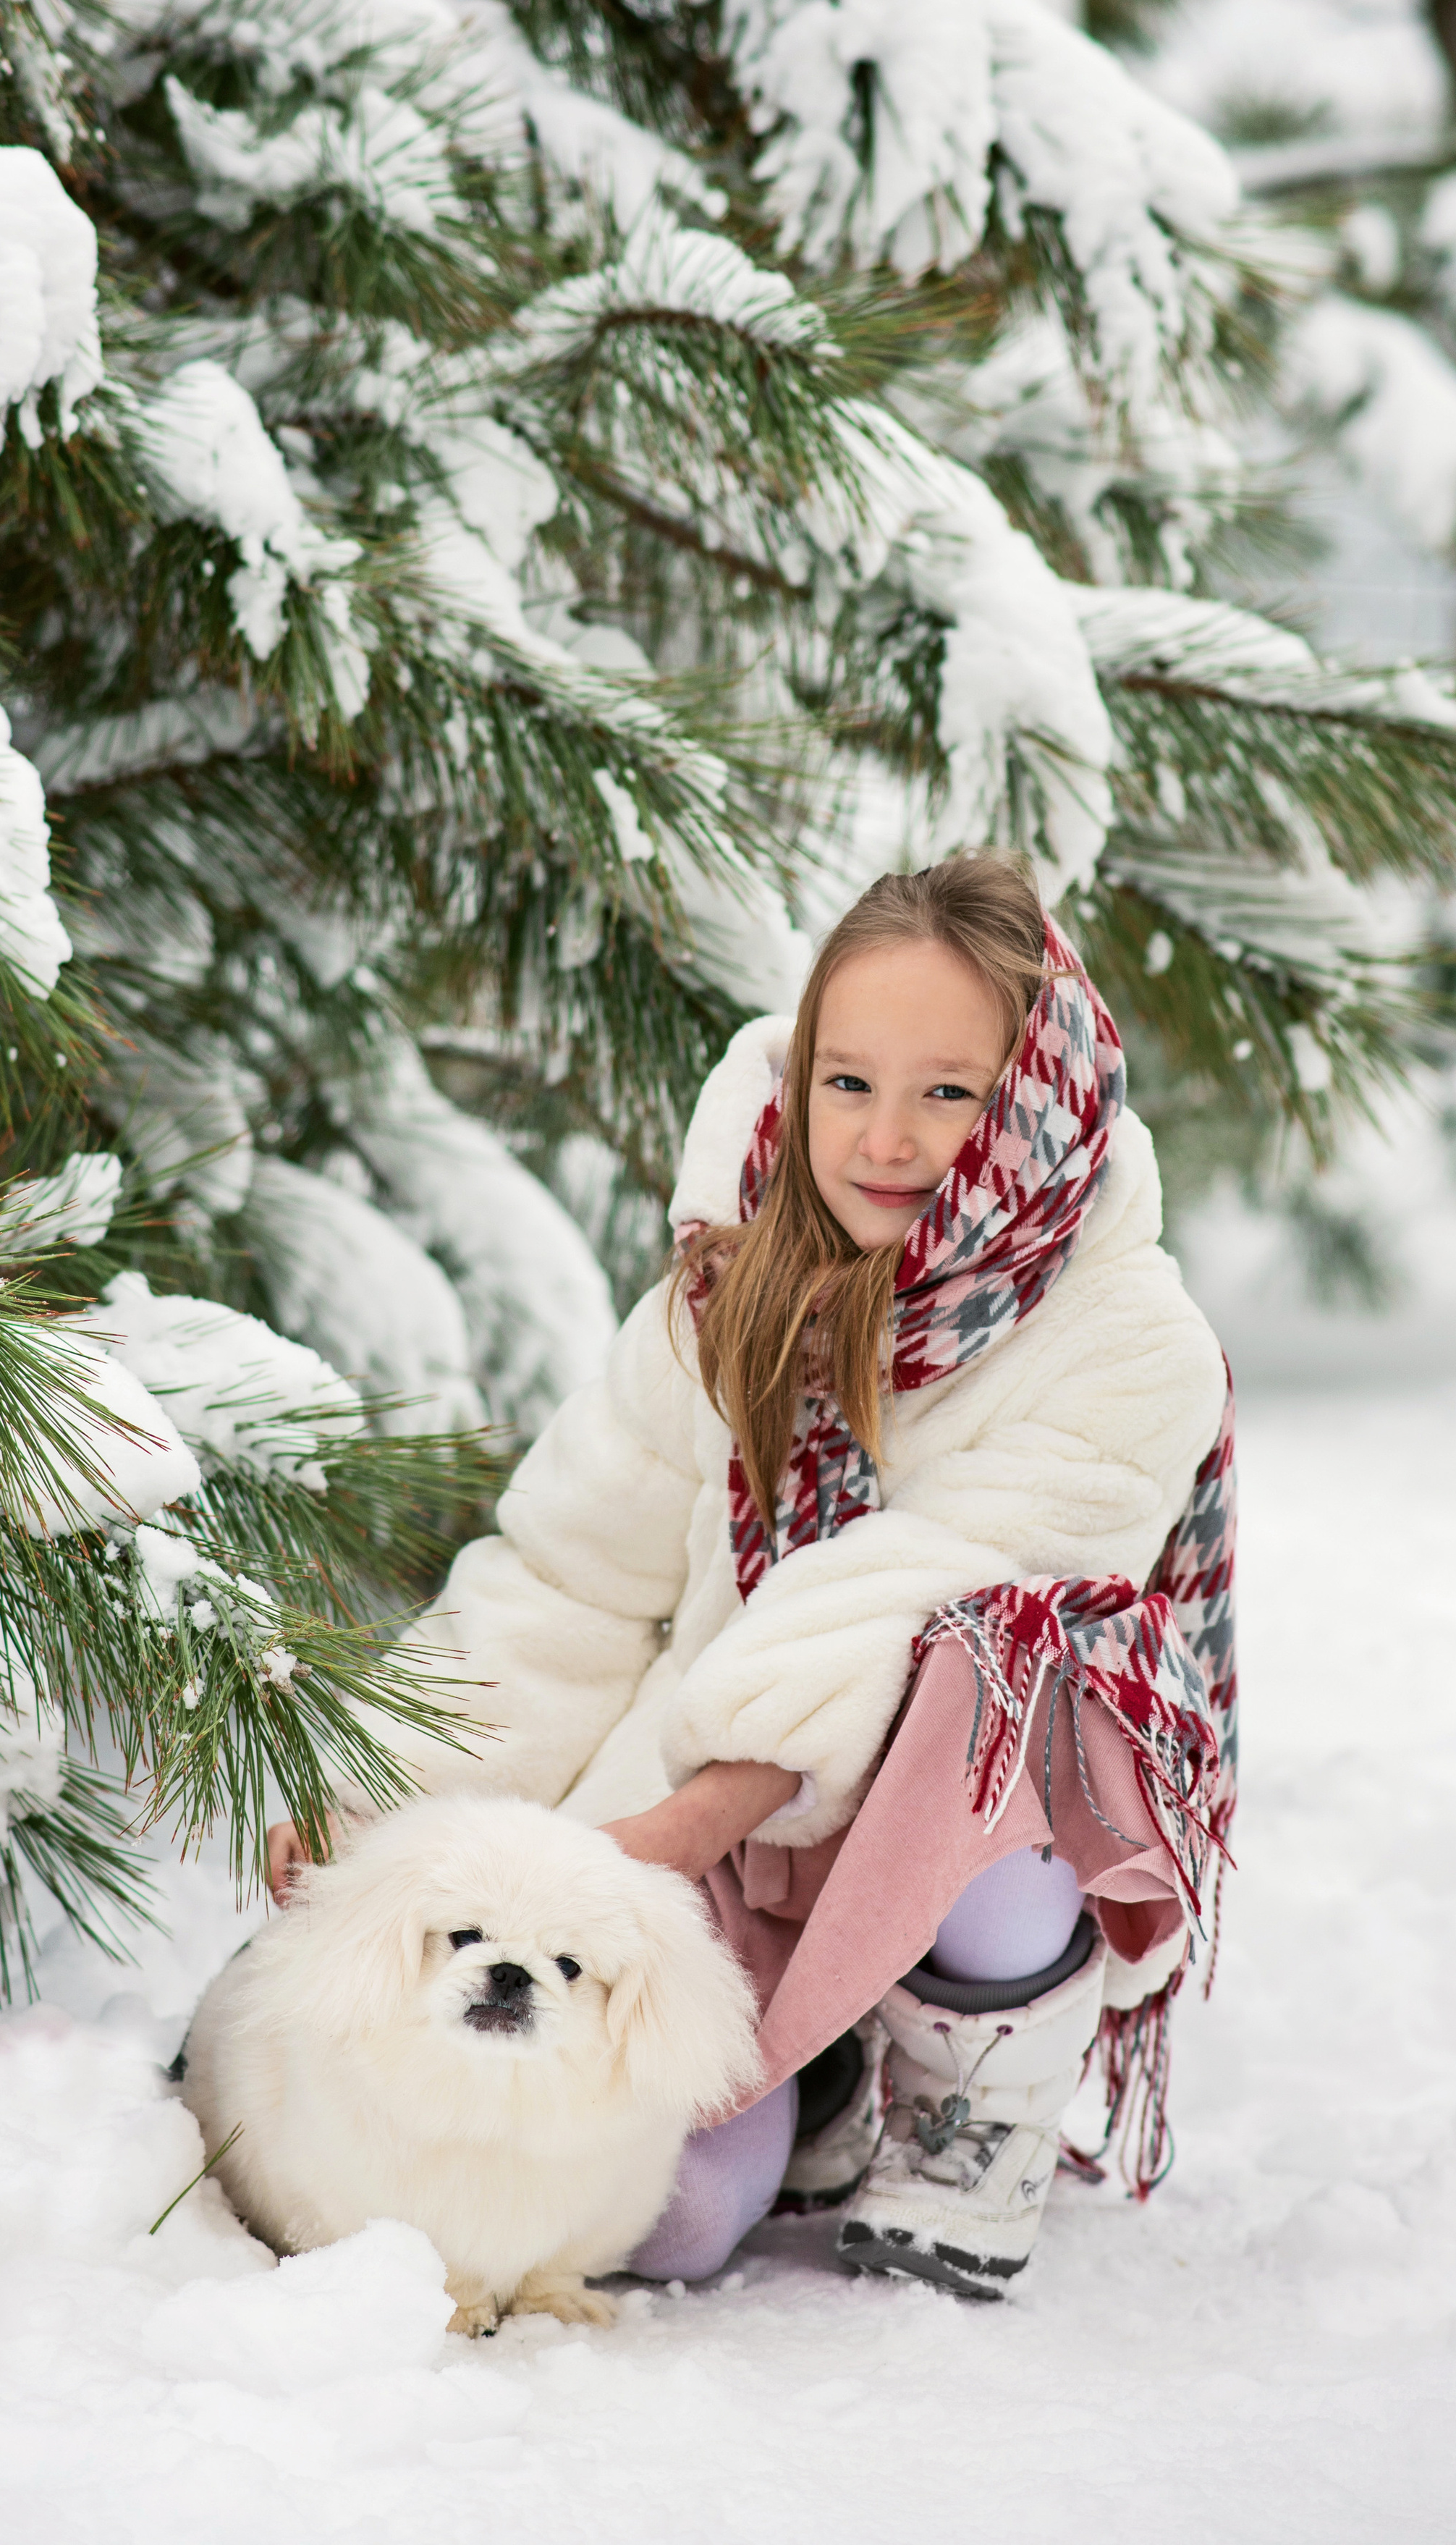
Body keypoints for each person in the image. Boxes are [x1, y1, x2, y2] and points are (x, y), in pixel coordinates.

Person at [268, 852, 1235, 2299]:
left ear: (1031, 1100)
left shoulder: (1126, 1341)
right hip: (723, 1821)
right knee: (660, 2221)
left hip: (944, 1812)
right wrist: (389, 1799)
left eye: (948, 1091)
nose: (885, 1139)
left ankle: (973, 2098)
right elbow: (569, 1576)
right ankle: (817, 2071)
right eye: (847, 1082)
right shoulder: (735, 1290)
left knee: (1017, 1653)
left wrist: (679, 1824)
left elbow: (921, 1583)